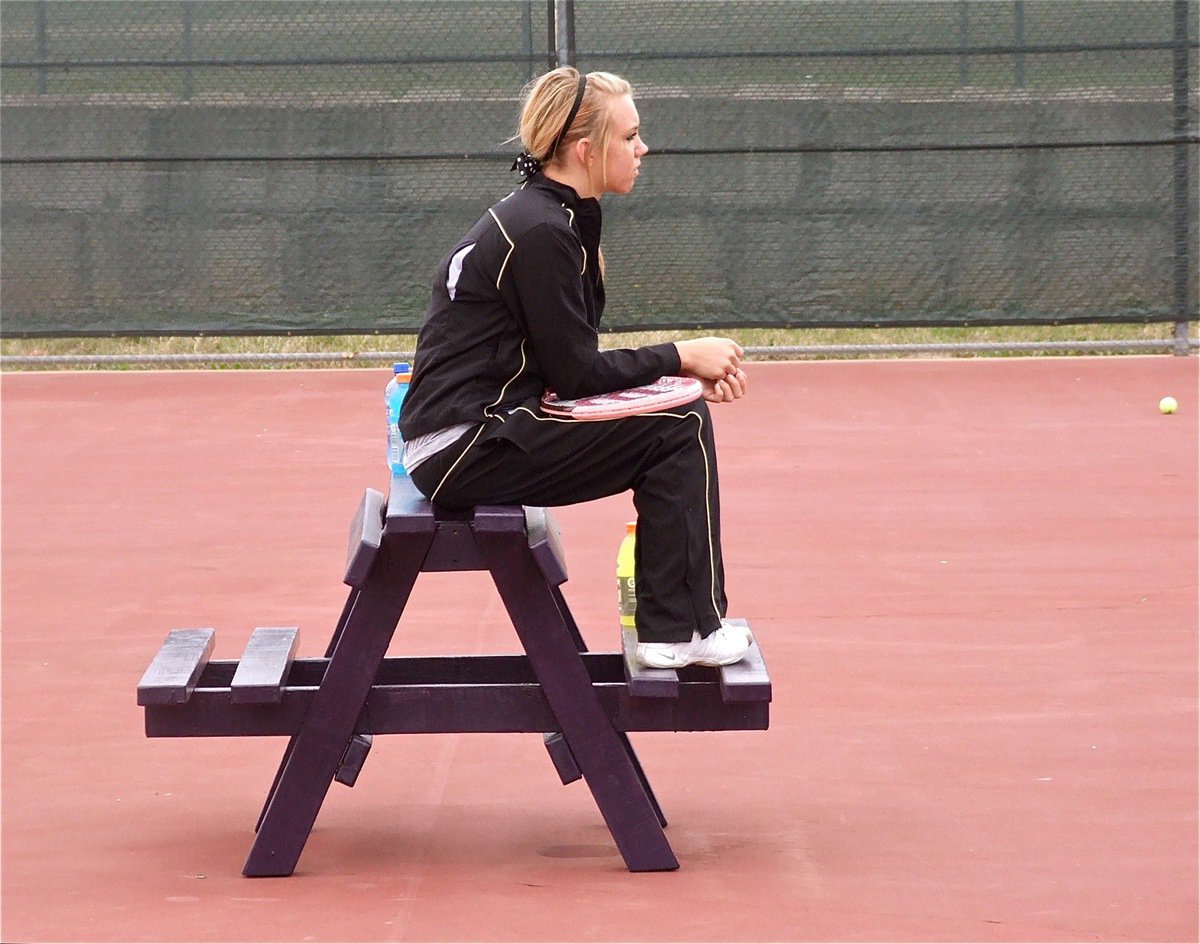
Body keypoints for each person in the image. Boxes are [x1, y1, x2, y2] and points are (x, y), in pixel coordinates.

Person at [399, 66, 751, 668]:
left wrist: (674, 380)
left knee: (678, 414)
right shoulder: (540, 232)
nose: (644, 149)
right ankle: (680, 632)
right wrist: (682, 355)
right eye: (631, 136)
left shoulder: (549, 219)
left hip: (474, 435)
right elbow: (580, 375)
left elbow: (565, 371)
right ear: (587, 150)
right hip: (466, 447)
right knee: (678, 430)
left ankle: (679, 625)